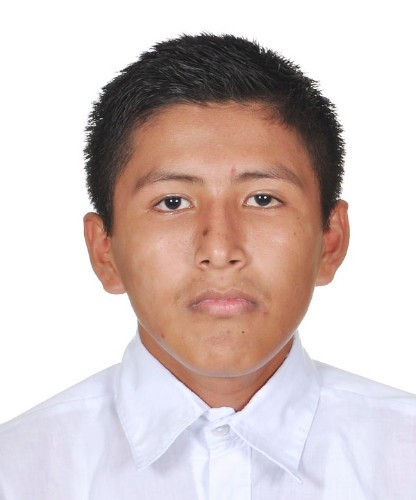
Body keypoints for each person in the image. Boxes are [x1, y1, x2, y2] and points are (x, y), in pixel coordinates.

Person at [0, 33, 415, 499]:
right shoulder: (16, 474)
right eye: (172, 202)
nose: (219, 250)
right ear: (105, 252)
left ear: (331, 241)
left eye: (263, 199)